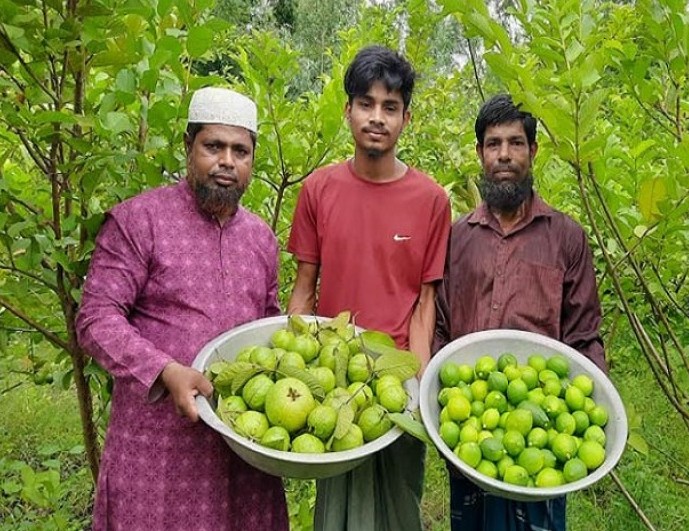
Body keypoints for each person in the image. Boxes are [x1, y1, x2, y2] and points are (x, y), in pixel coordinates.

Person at [76, 87, 289, 530]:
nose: (227, 161)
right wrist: (165, 370)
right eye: (214, 146)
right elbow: (96, 317)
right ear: (188, 148)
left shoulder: (261, 239)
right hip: (158, 442)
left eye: (240, 150)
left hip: (240, 437)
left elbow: (269, 323)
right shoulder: (139, 221)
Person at [286, 45, 451, 530]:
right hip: (334, 376)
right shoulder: (318, 189)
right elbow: (304, 287)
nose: (377, 117)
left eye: (390, 107)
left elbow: (425, 304)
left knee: (401, 502)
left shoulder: (431, 200)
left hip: (397, 379)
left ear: (406, 118)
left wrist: (418, 388)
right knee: (335, 508)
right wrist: (293, 359)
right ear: (348, 110)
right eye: (366, 103)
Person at [434, 94, 607, 531]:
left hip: (546, 432)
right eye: (493, 144)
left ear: (533, 151)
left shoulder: (566, 237)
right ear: (479, 153)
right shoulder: (457, 238)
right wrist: (433, 404)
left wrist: (594, 407)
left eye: (515, 142)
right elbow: (439, 323)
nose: (504, 155)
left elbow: (584, 333)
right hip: (468, 418)